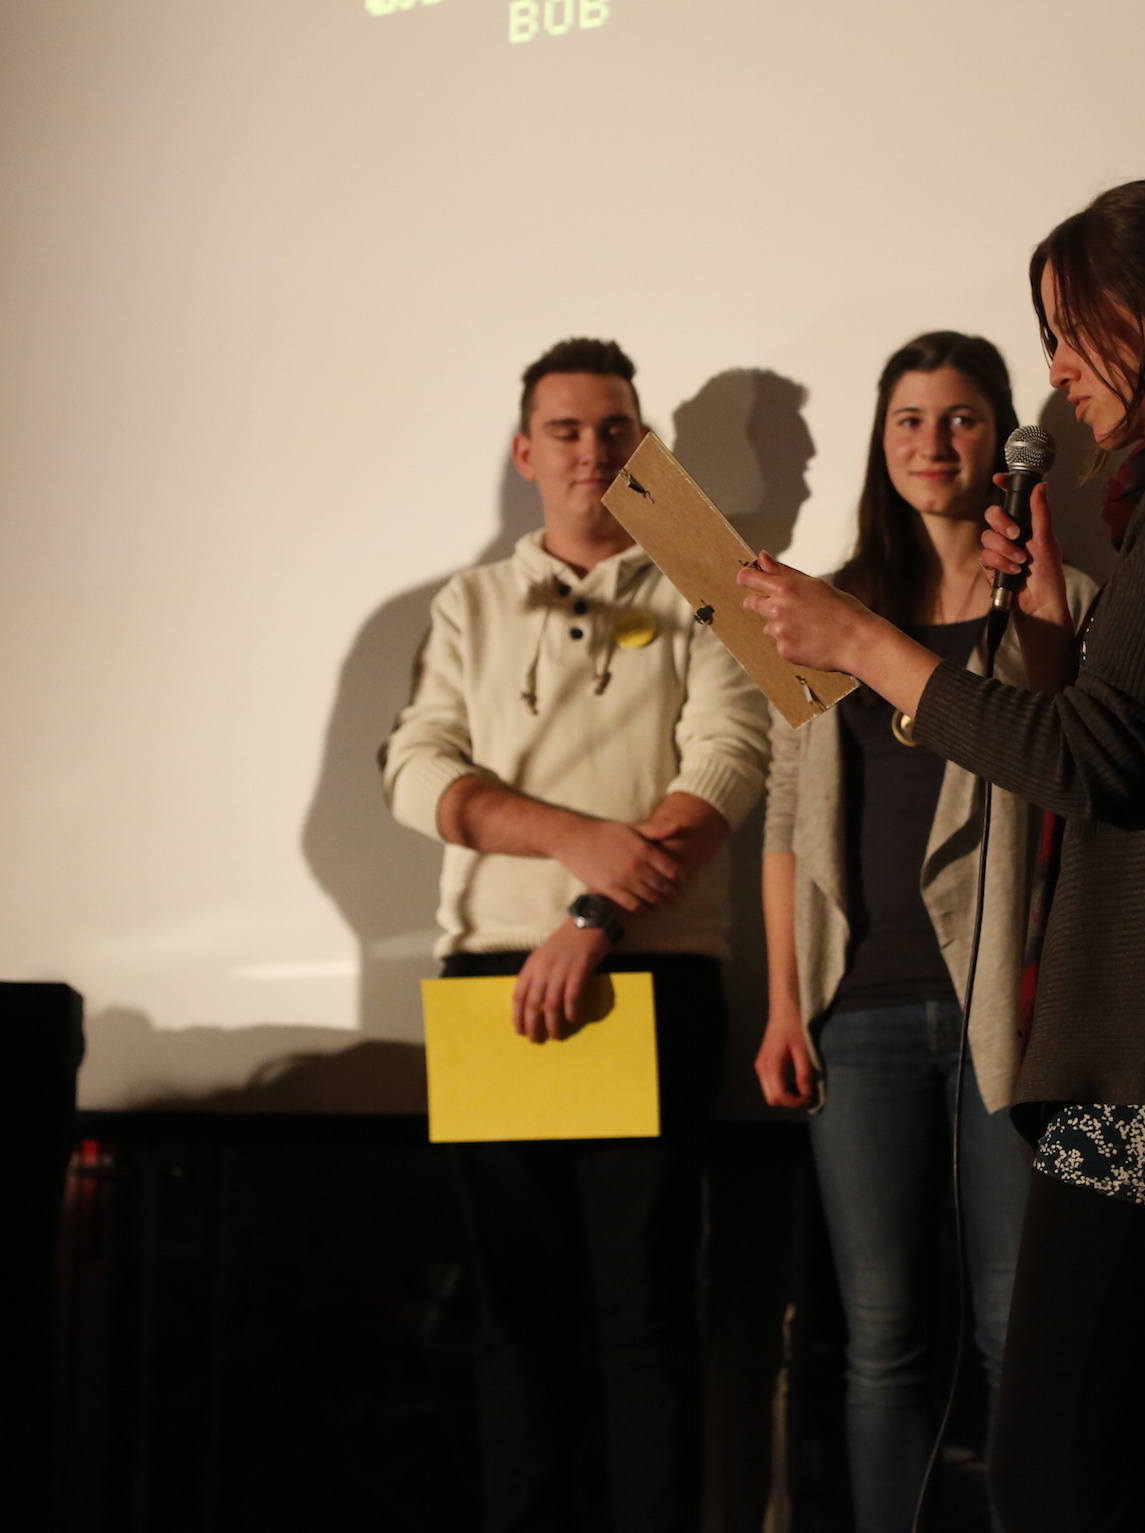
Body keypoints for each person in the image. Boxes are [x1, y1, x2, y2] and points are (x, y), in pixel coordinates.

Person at [738, 182, 1145, 1533]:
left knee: (1055, 1472)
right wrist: (1052, 611)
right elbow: (1118, 745)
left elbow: (1097, 760)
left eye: (1068, 330)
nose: (1056, 367)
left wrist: (866, 645)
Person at [380, 337, 770, 1533]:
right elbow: (413, 769)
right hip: (490, 982)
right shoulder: (467, 602)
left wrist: (597, 910)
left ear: (643, 447)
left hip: (650, 971)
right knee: (515, 1320)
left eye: (614, 430)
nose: (591, 451)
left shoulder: (709, 584)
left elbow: (730, 758)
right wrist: (570, 841)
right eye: (565, 431)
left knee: (644, 1313)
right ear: (524, 452)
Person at [753, 331, 1097, 1533]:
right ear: (879, 440)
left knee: (1014, 1328)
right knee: (883, 1338)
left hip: (1005, 1006)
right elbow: (786, 818)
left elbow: (1077, 775)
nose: (931, 442)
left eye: (959, 418)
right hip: (859, 1010)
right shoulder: (822, 611)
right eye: (907, 419)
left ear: (1000, 439)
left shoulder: (1052, 603)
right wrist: (784, 1002)